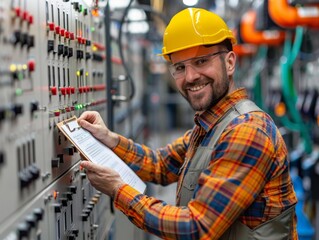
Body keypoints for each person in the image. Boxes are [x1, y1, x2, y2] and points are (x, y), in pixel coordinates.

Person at [78, 8, 298, 239]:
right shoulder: (211, 125)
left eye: (201, 61)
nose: (191, 77)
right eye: (180, 67)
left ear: (230, 62)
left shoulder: (247, 130)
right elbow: (160, 165)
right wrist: (110, 140)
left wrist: (117, 189)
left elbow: (196, 228)